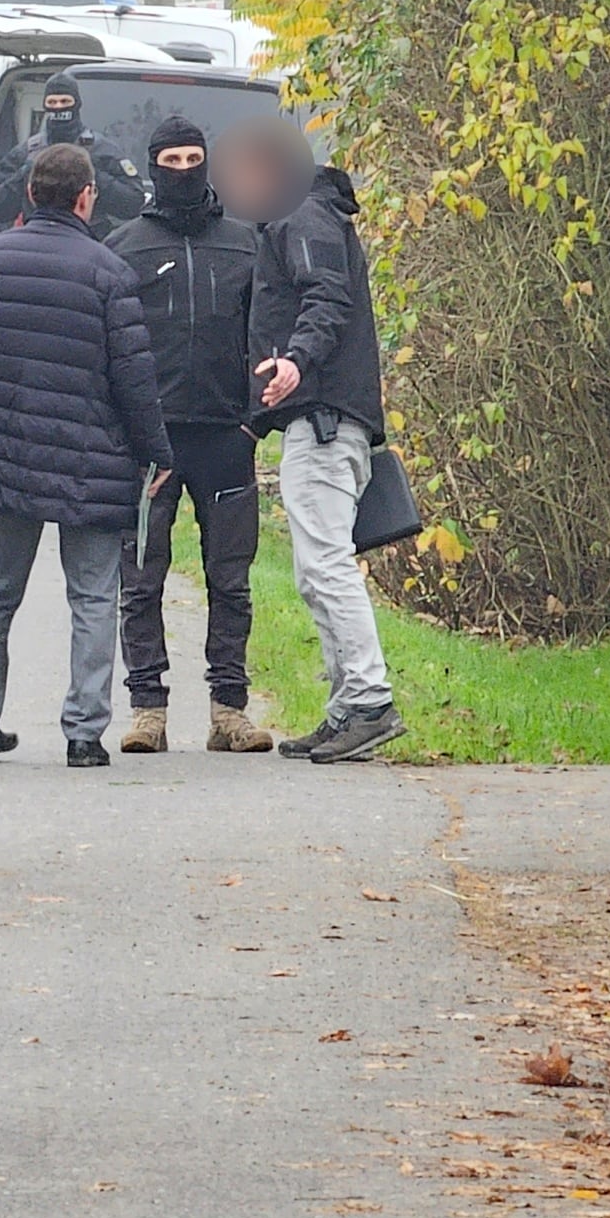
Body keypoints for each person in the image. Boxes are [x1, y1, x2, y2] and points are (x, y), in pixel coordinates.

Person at [0, 143, 174, 768]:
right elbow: (134, 379)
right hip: (89, 461)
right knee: (94, 596)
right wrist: (155, 452)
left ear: (29, 194)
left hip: (7, 457)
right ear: (85, 197)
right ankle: (83, 734)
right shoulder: (109, 272)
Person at [103, 117, 273, 755]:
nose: (182, 167)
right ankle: (148, 708)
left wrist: (254, 420)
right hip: (151, 445)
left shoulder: (245, 244)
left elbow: (268, 335)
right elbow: (110, 351)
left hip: (228, 438)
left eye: (192, 156)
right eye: (170, 158)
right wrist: (128, 430)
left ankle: (229, 710)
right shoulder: (125, 247)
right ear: (152, 166)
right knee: (141, 579)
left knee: (231, 580)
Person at [252, 155, 405, 763]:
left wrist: (296, 361)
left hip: (321, 421)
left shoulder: (300, 214)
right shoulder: (313, 212)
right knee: (315, 571)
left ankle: (369, 701)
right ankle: (347, 707)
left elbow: (326, 297)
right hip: (329, 420)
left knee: (327, 568)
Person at [0, 72, 147, 236]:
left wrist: (93, 173)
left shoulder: (101, 150)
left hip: (88, 240)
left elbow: (133, 202)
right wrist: (27, 172)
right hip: (38, 238)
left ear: (77, 103)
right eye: (52, 102)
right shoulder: (27, 152)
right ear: (45, 105)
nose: (59, 106)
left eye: (65, 101)